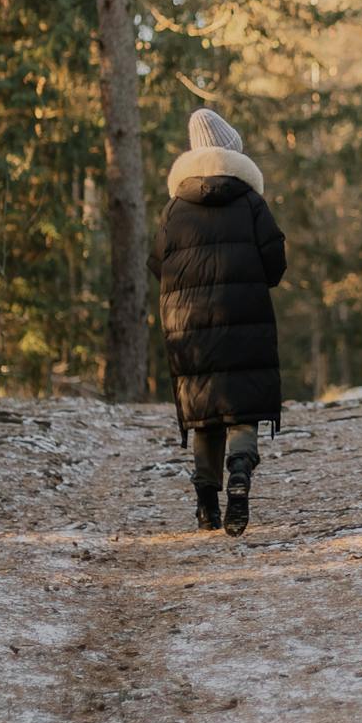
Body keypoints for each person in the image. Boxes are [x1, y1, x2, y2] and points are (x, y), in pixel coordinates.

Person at [148, 109, 286, 536]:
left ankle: (207, 502)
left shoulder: (174, 210)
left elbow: (156, 264)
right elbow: (275, 263)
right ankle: (240, 471)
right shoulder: (250, 203)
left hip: (187, 324)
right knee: (241, 404)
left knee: (204, 409)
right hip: (243, 315)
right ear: (231, 153)